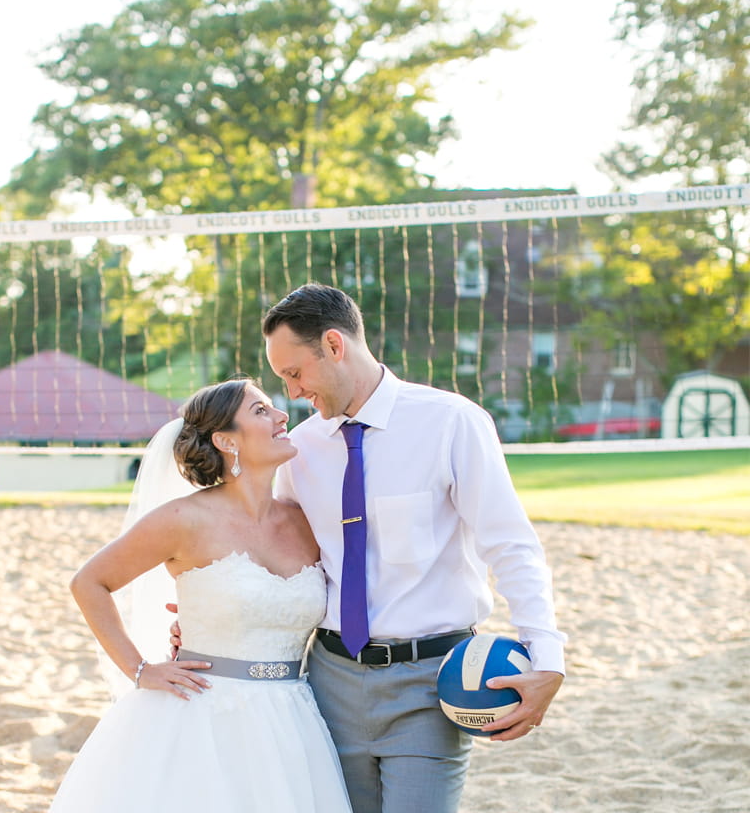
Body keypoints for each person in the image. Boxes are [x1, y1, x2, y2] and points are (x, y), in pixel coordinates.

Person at [174, 284, 566, 813]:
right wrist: (211, 615)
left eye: (294, 373)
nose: (291, 393)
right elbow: (280, 553)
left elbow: (512, 544)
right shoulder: (299, 450)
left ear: (334, 346)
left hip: (430, 684)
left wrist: (548, 657)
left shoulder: (451, 422)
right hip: (327, 684)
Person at [50, 378, 353, 813]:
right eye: (261, 411)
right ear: (226, 440)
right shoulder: (182, 519)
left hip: (292, 717)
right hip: (200, 715)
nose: (282, 416)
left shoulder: (305, 520)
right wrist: (140, 671)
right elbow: (89, 583)